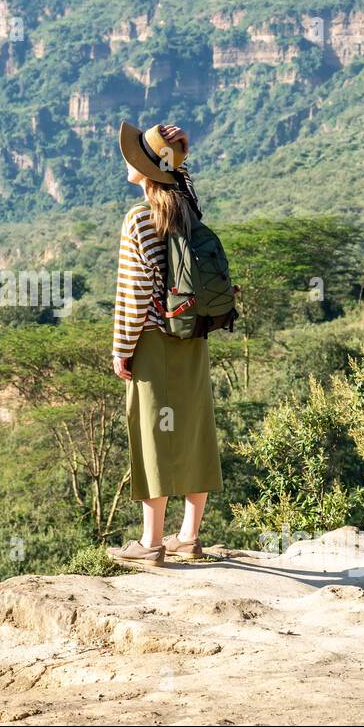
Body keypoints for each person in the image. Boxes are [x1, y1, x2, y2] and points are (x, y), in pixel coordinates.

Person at [107, 122, 222, 566]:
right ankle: (188, 537)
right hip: (191, 335)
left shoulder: (139, 218)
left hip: (153, 340)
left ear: (144, 167)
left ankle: (150, 542)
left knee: (152, 433)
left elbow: (134, 295)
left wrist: (122, 347)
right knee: (193, 426)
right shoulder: (188, 209)